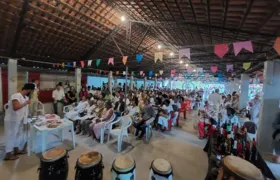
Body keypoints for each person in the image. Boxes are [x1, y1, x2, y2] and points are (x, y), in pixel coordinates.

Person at [4, 83, 35, 160]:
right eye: (32, 91)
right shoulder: (16, 96)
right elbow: (16, 107)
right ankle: (8, 153)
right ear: (30, 90)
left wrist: (28, 116)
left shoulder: (26, 97)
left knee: (18, 135)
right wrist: (25, 103)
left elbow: (23, 110)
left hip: (19, 120)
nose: (32, 92)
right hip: (12, 120)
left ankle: (16, 149)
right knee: (11, 135)